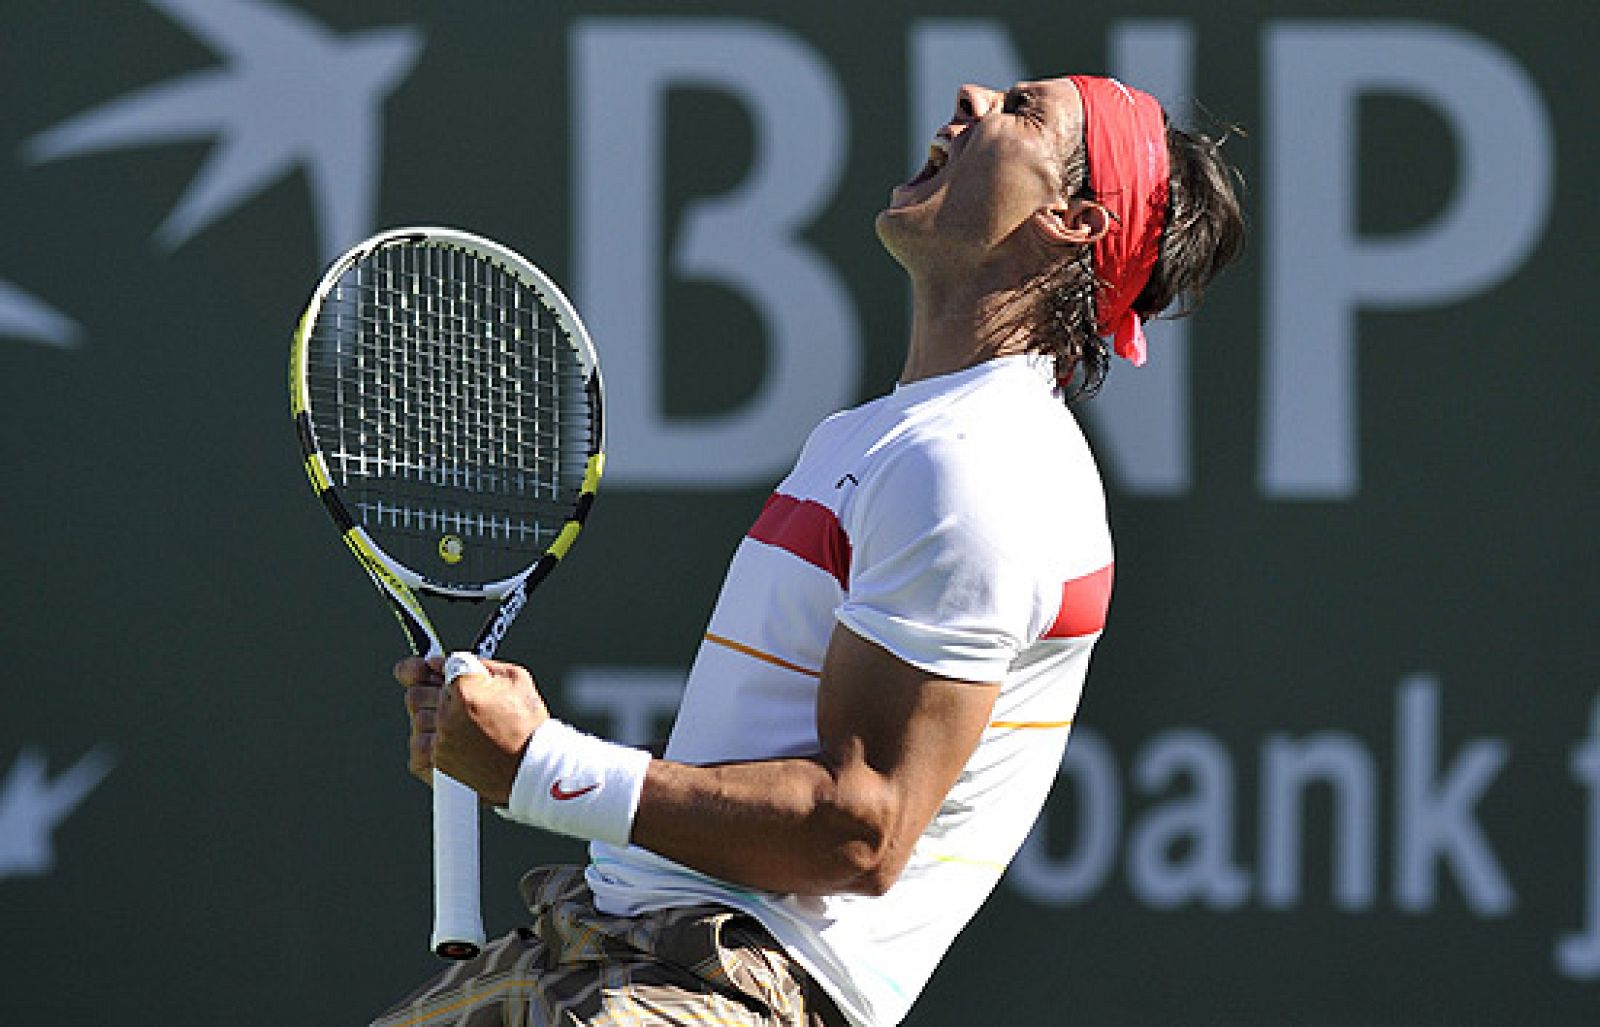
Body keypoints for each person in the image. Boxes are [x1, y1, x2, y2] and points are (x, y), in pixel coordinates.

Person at [375, 73, 1245, 1027]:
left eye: (1025, 110)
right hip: (615, 944)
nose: (975, 93)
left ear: (1073, 221)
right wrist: (518, 742)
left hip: (726, 990)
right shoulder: (885, 438)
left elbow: (859, 829)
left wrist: (542, 766)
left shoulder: (977, 466)